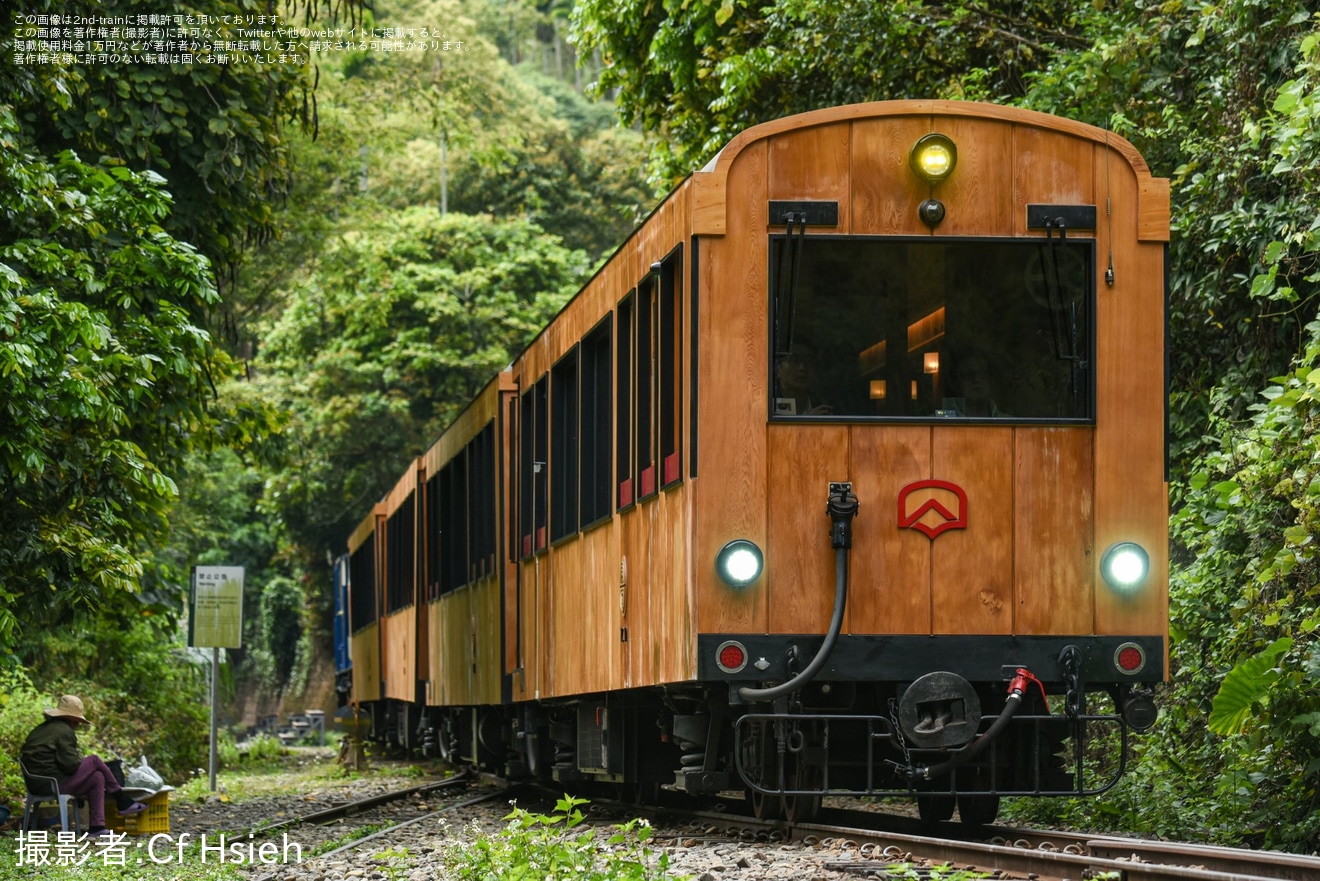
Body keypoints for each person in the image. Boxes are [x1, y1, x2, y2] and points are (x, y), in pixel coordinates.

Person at [20, 695, 147, 836]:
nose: (78, 725)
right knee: (94, 760)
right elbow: (70, 766)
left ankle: (97, 827)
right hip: (52, 784)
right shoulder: (64, 731)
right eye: (78, 721)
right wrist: (81, 759)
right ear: (72, 719)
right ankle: (121, 798)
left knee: (97, 777)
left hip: (37, 784)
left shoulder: (41, 729)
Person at [774, 343, 834, 415]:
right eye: (794, 360)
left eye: (809, 361)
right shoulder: (766, 403)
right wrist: (806, 422)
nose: (802, 367)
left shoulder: (821, 405)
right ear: (778, 369)